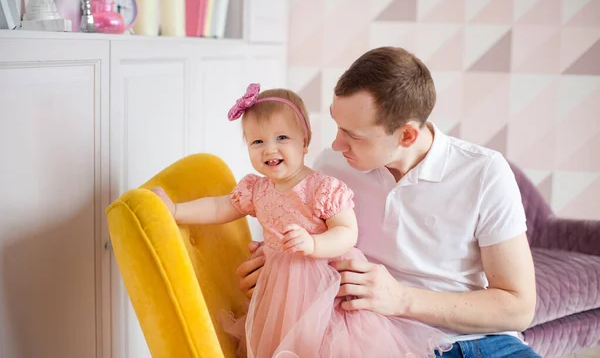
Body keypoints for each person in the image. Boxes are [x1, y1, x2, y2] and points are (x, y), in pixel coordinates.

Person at [235, 47, 540, 358]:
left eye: (353, 135)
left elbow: (517, 307)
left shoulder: (484, 171)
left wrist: (401, 298)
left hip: (484, 343)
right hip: (371, 343)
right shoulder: (329, 170)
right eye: (337, 126)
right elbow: (302, 247)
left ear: (406, 135)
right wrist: (273, 273)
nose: (336, 144)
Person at [152, 84, 452, 358]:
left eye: (282, 138)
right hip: (279, 289)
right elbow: (219, 208)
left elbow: (347, 232)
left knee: (324, 345)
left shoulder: (321, 187)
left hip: (324, 285)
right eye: (257, 141)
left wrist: (313, 243)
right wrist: (176, 211)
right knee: (281, 344)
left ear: (304, 141)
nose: (270, 148)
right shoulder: (256, 189)